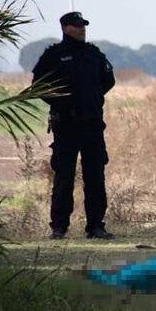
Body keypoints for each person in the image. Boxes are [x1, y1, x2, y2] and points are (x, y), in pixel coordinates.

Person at [32, 12, 115, 240]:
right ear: (65, 28)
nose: (82, 29)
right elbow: (39, 86)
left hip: (92, 125)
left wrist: (93, 98)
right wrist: (63, 105)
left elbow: (108, 80)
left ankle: (96, 226)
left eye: (83, 25)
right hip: (66, 126)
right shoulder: (54, 55)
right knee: (64, 177)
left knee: (95, 176)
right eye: (77, 26)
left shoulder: (93, 54)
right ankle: (59, 227)